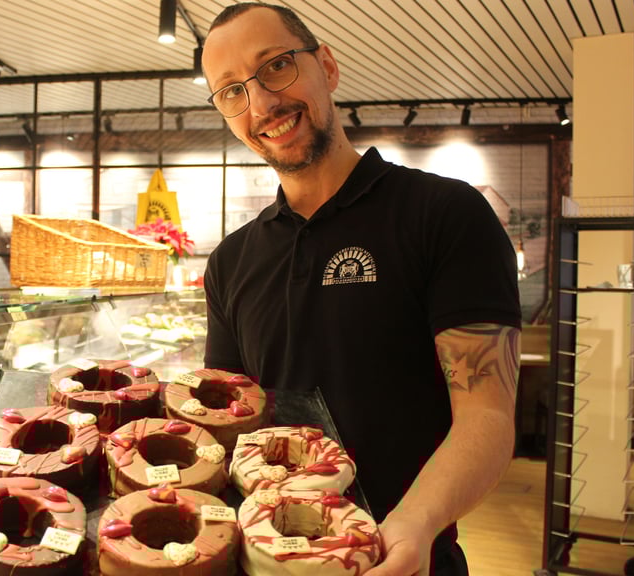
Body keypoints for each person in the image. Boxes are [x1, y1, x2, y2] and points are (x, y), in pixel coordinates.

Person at [200, 4, 521, 576]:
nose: (261, 104)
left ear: (327, 64)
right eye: (230, 92)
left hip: (405, 556)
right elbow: (230, 423)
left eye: (275, 67)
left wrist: (416, 523)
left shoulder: (443, 214)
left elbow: (487, 416)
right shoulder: (230, 261)